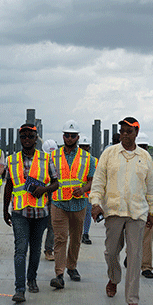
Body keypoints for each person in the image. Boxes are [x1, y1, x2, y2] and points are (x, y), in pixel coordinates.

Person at [90, 117, 153, 305]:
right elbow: (98, 181)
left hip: (137, 212)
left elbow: (151, 188)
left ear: (136, 133)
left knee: (135, 255)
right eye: (122, 131)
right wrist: (95, 203)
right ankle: (114, 278)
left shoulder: (145, 157)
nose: (125, 135)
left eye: (129, 131)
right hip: (113, 210)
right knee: (111, 251)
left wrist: (152, 210)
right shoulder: (109, 154)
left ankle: (132, 298)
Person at [2, 124, 59, 303]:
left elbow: (56, 183)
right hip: (19, 212)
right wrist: (5, 210)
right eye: (24, 136)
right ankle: (19, 289)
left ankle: (31, 278)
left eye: (30, 136)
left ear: (36, 138)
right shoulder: (12, 160)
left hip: (40, 212)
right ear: (20, 139)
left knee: (35, 250)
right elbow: (9, 185)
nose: (27, 139)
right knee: (20, 249)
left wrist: (44, 189)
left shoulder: (46, 159)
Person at [48, 120, 95, 289]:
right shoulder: (53, 156)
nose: (69, 138)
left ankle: (72, 267)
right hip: (59, 203)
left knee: (76, 239)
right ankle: (59, 274)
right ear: (63, 136)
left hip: (79, 204)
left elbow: (91, 181)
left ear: (77, 137)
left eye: (72, 136)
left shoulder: (88, 158)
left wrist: (83, 190)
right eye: (67, 135)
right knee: (60, 238)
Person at [136, 133, 153, 278]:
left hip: (149, 203)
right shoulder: (128, 159)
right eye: (140, 146)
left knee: (147, 235)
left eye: (144, 146)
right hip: (132, 201)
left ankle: (146, 266)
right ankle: (132, 256)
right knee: (132, 232)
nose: (143, 149)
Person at [41, 139, 58, 261]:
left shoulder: (60, 161)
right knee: (39, 224)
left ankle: (48, 250)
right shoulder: (39, 161)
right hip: (40, 197)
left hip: (54, 197)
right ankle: (36, 247)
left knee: (52, 225)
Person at [78, 135, 96, 245]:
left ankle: (85, 233)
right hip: (76, 193)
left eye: (86, 147)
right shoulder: (74, 160)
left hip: (88, 193)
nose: (84, 149)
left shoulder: (93, 160)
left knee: (87, 214)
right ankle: (77, 233)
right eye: (82, 147)